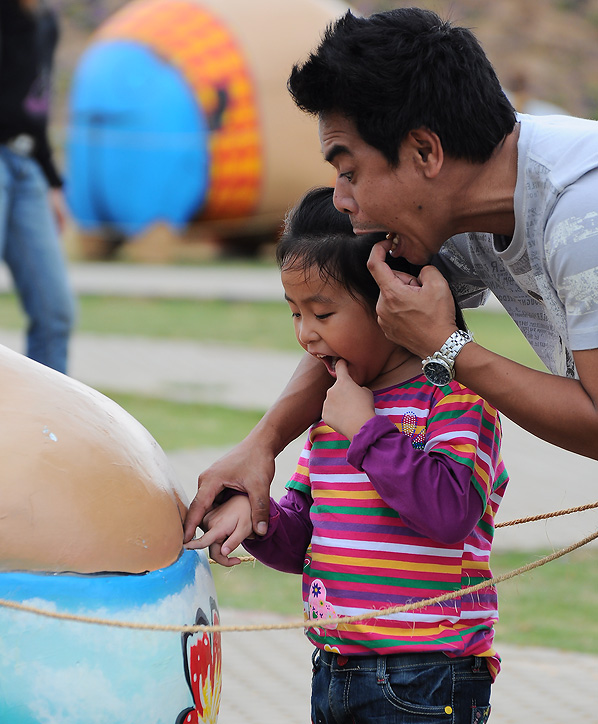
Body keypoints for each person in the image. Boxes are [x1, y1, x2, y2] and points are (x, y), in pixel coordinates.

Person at [187, 186, 508, 724]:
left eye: (323, 313)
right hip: (337, 677)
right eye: (295, 313)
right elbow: (305, 532)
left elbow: (450, 511)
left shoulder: (453, 404)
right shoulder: (334, 411)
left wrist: (369, 432)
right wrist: (258, 517)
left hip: (426, 682)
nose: (305, 334)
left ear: (393, 306)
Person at [183, 5, 598, 545]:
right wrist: (262, 444)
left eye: (349, 170)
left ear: (424, 151)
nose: (341, 199)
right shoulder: (463, 206)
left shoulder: (581, 214)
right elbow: (373, 322)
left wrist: (447, 348)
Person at [0, 0, 77, 374]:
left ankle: (47, 428)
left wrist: (51, 182)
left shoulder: (45, 23)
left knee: (55, 312)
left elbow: (36, 109)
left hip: (27, 167)